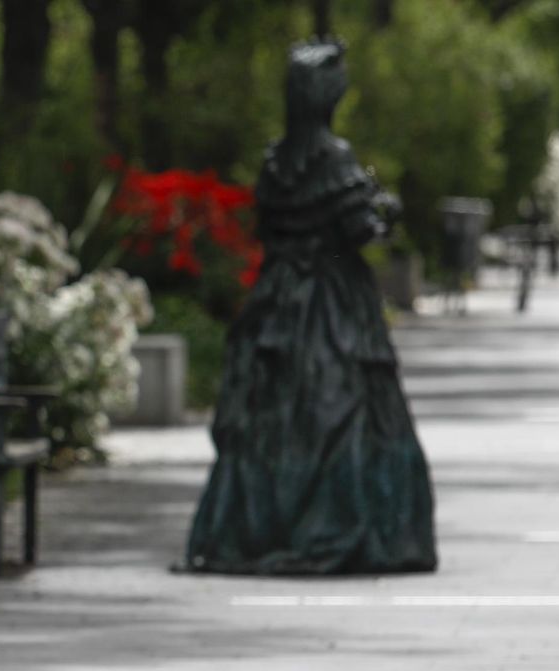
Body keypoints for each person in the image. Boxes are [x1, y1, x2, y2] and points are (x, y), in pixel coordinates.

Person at [183, 38, 437, 575]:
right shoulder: (334, 156)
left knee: (278, 415)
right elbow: (358, 230)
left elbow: (268, 228)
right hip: (332, 307)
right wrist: (385, 211)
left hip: (278, 302)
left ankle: (262, 526)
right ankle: (341, 523)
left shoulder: (278, 161)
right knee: (340, 410)